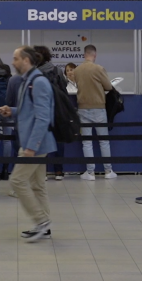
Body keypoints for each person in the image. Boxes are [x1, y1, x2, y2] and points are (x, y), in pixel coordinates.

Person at [0, 46, 56, 242]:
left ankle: (41, 221)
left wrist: (32, 146)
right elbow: (29, 111)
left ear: (26, 60)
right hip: (35, 142)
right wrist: (12, 111)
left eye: (15, 58)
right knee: (38, 185)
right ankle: (45, 225)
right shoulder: (28, 81)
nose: (13, 62)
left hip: (35, 144)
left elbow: (42, 118)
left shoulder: (38, 82)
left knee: (17, 180)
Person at [73, 45, 117, 180]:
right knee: (104, 141)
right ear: (95, 55)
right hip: (99, 107)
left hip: (82, 108)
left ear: (84, 54)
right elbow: (108, 87)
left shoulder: (77, 70)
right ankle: (108, 171)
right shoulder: (99, 68)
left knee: (87, 142)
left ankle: (90, 172)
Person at [33, 47, 68, 181]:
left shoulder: (35, 72)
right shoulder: (56, 70)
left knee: (41, 141)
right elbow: (64, 90)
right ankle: (59, 171)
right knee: (58, 141)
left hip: (41, 111)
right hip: (56, 110)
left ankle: (43, 172)